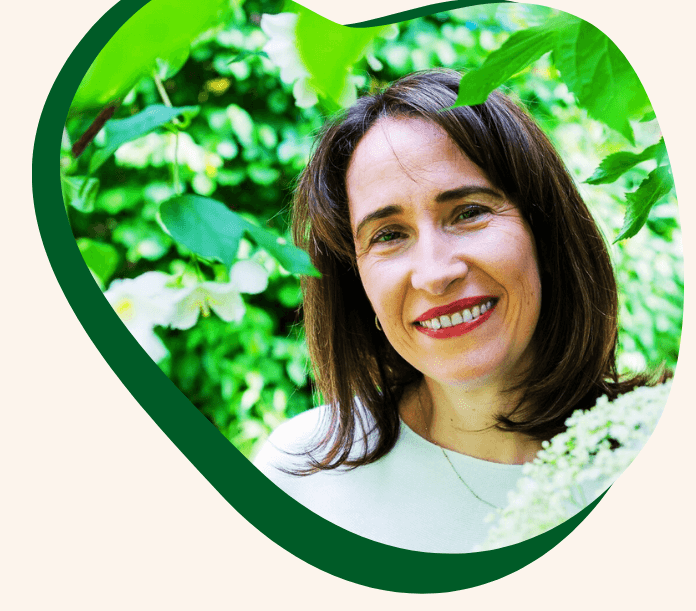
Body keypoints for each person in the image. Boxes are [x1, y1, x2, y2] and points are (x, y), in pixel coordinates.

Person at [252, 69, 662, 553]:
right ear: (356, 283)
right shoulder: (299, 478)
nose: (435, 273)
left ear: (544, 233)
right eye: (388, 235)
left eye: (468, 212)